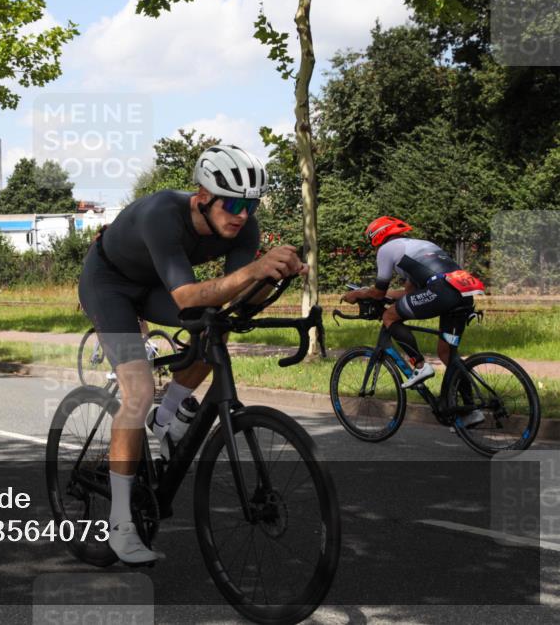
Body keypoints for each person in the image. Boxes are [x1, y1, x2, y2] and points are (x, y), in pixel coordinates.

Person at [78, 144, 306, 565]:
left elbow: (237, 300)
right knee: (139, 391)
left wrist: (273, 279)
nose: (242, 214)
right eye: (233, 203)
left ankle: (168, 419)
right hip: (108, 283)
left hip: (154, 287)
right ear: (203, 197)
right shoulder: (162, 214)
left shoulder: (245, 229)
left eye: (250, 204)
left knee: (214, 327)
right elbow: (186, 296)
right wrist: (255, 270)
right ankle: (119, 524)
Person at [341, 216, 485, 416]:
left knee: (390, 317)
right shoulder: (419, 246)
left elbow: (378, 292)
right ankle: (471, 411)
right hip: (462, 292)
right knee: (447, 354)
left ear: (377, 237)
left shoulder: (385, 250)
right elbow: (408, 294)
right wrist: (382, 294)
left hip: (442, 291)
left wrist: (357, 294)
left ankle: (419, 365)